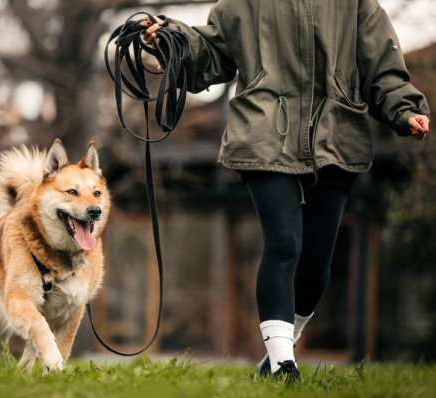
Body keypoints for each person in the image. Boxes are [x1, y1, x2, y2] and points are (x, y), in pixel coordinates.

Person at [142, 0, 430, 382]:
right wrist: (169, 40)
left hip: (336, 138)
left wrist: (404, 108)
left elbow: (381, 65)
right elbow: (211, 54)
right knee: (283, 244)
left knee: (315, 268)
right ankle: (283, 365)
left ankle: (279, 352)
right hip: (263, 134)